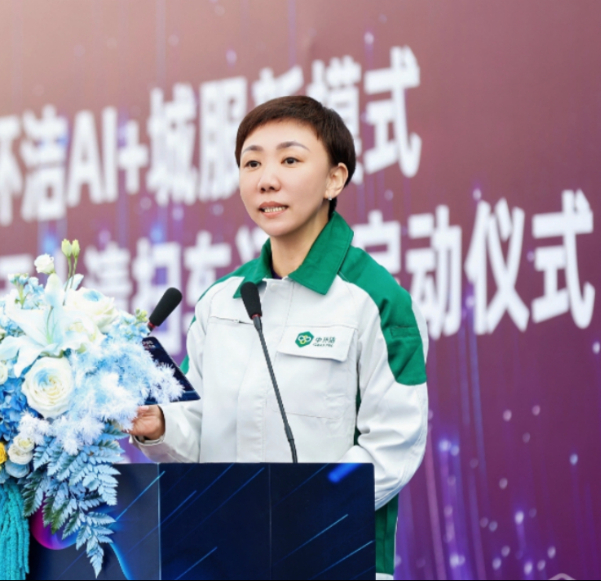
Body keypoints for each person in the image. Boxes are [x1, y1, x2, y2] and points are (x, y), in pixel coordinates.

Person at [129, 95, 428, 580]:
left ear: (335, 178)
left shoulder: (374, 299)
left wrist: (302, 509)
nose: (266, 179)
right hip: (222, 559)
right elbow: (201, 431)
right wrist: (160, 425)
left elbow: (394, 442)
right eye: (252, 163)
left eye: (290, 160)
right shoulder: (222, 300)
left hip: (331, 559)